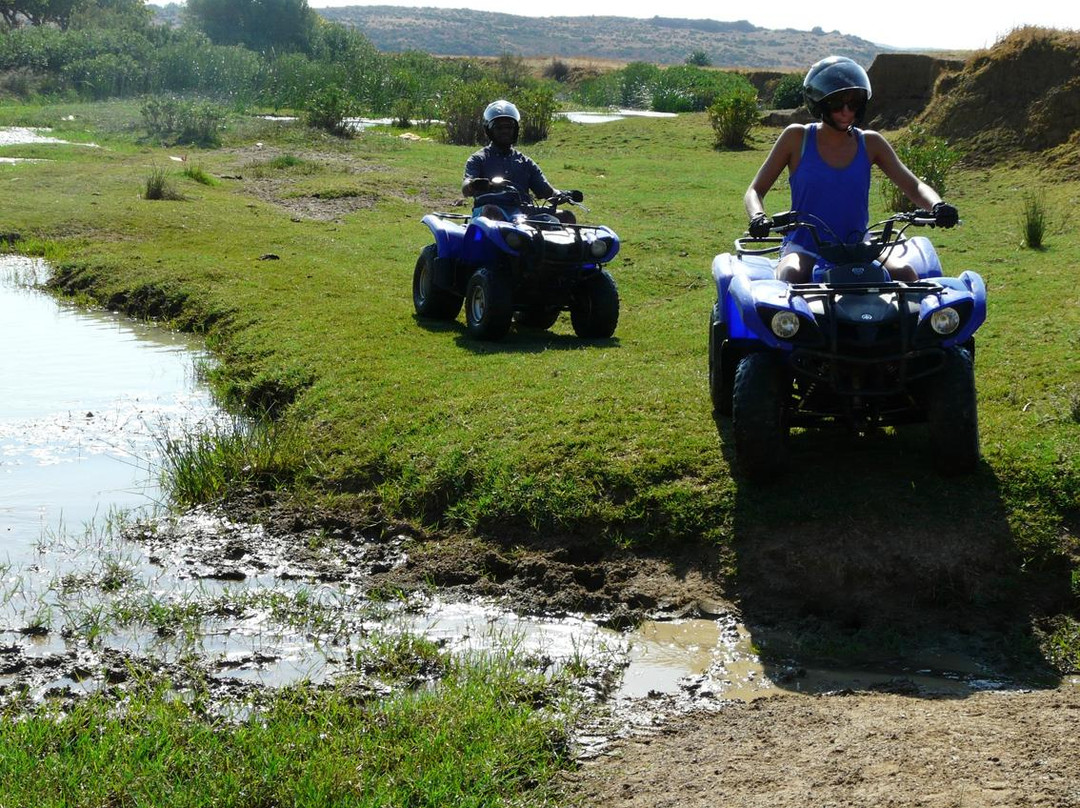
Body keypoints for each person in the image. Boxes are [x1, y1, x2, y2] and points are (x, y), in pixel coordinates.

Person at [743, 55, 959, 283]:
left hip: (859, 245)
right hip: (805, 246)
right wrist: (758, 217)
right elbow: (755, 190)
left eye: (853, 103)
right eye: (837, 104)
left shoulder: (871, 142)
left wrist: (938, 206)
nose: (846, 111)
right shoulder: (797, 138)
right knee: (792, 277)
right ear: (820, 102)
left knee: (905, 274)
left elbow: (914, 186)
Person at [462, 99, 572, 222]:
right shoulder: (478, 159)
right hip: (487, 213)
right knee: (492, 211)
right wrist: (473, 185)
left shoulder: (525, 162)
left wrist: (561, 195)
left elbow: (546, 190)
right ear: (489, 130)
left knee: (566, 216)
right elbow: (466, 187)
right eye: (499, 127)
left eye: (509, 127)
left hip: (522, 214)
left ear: (516, 130)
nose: (505, 131)